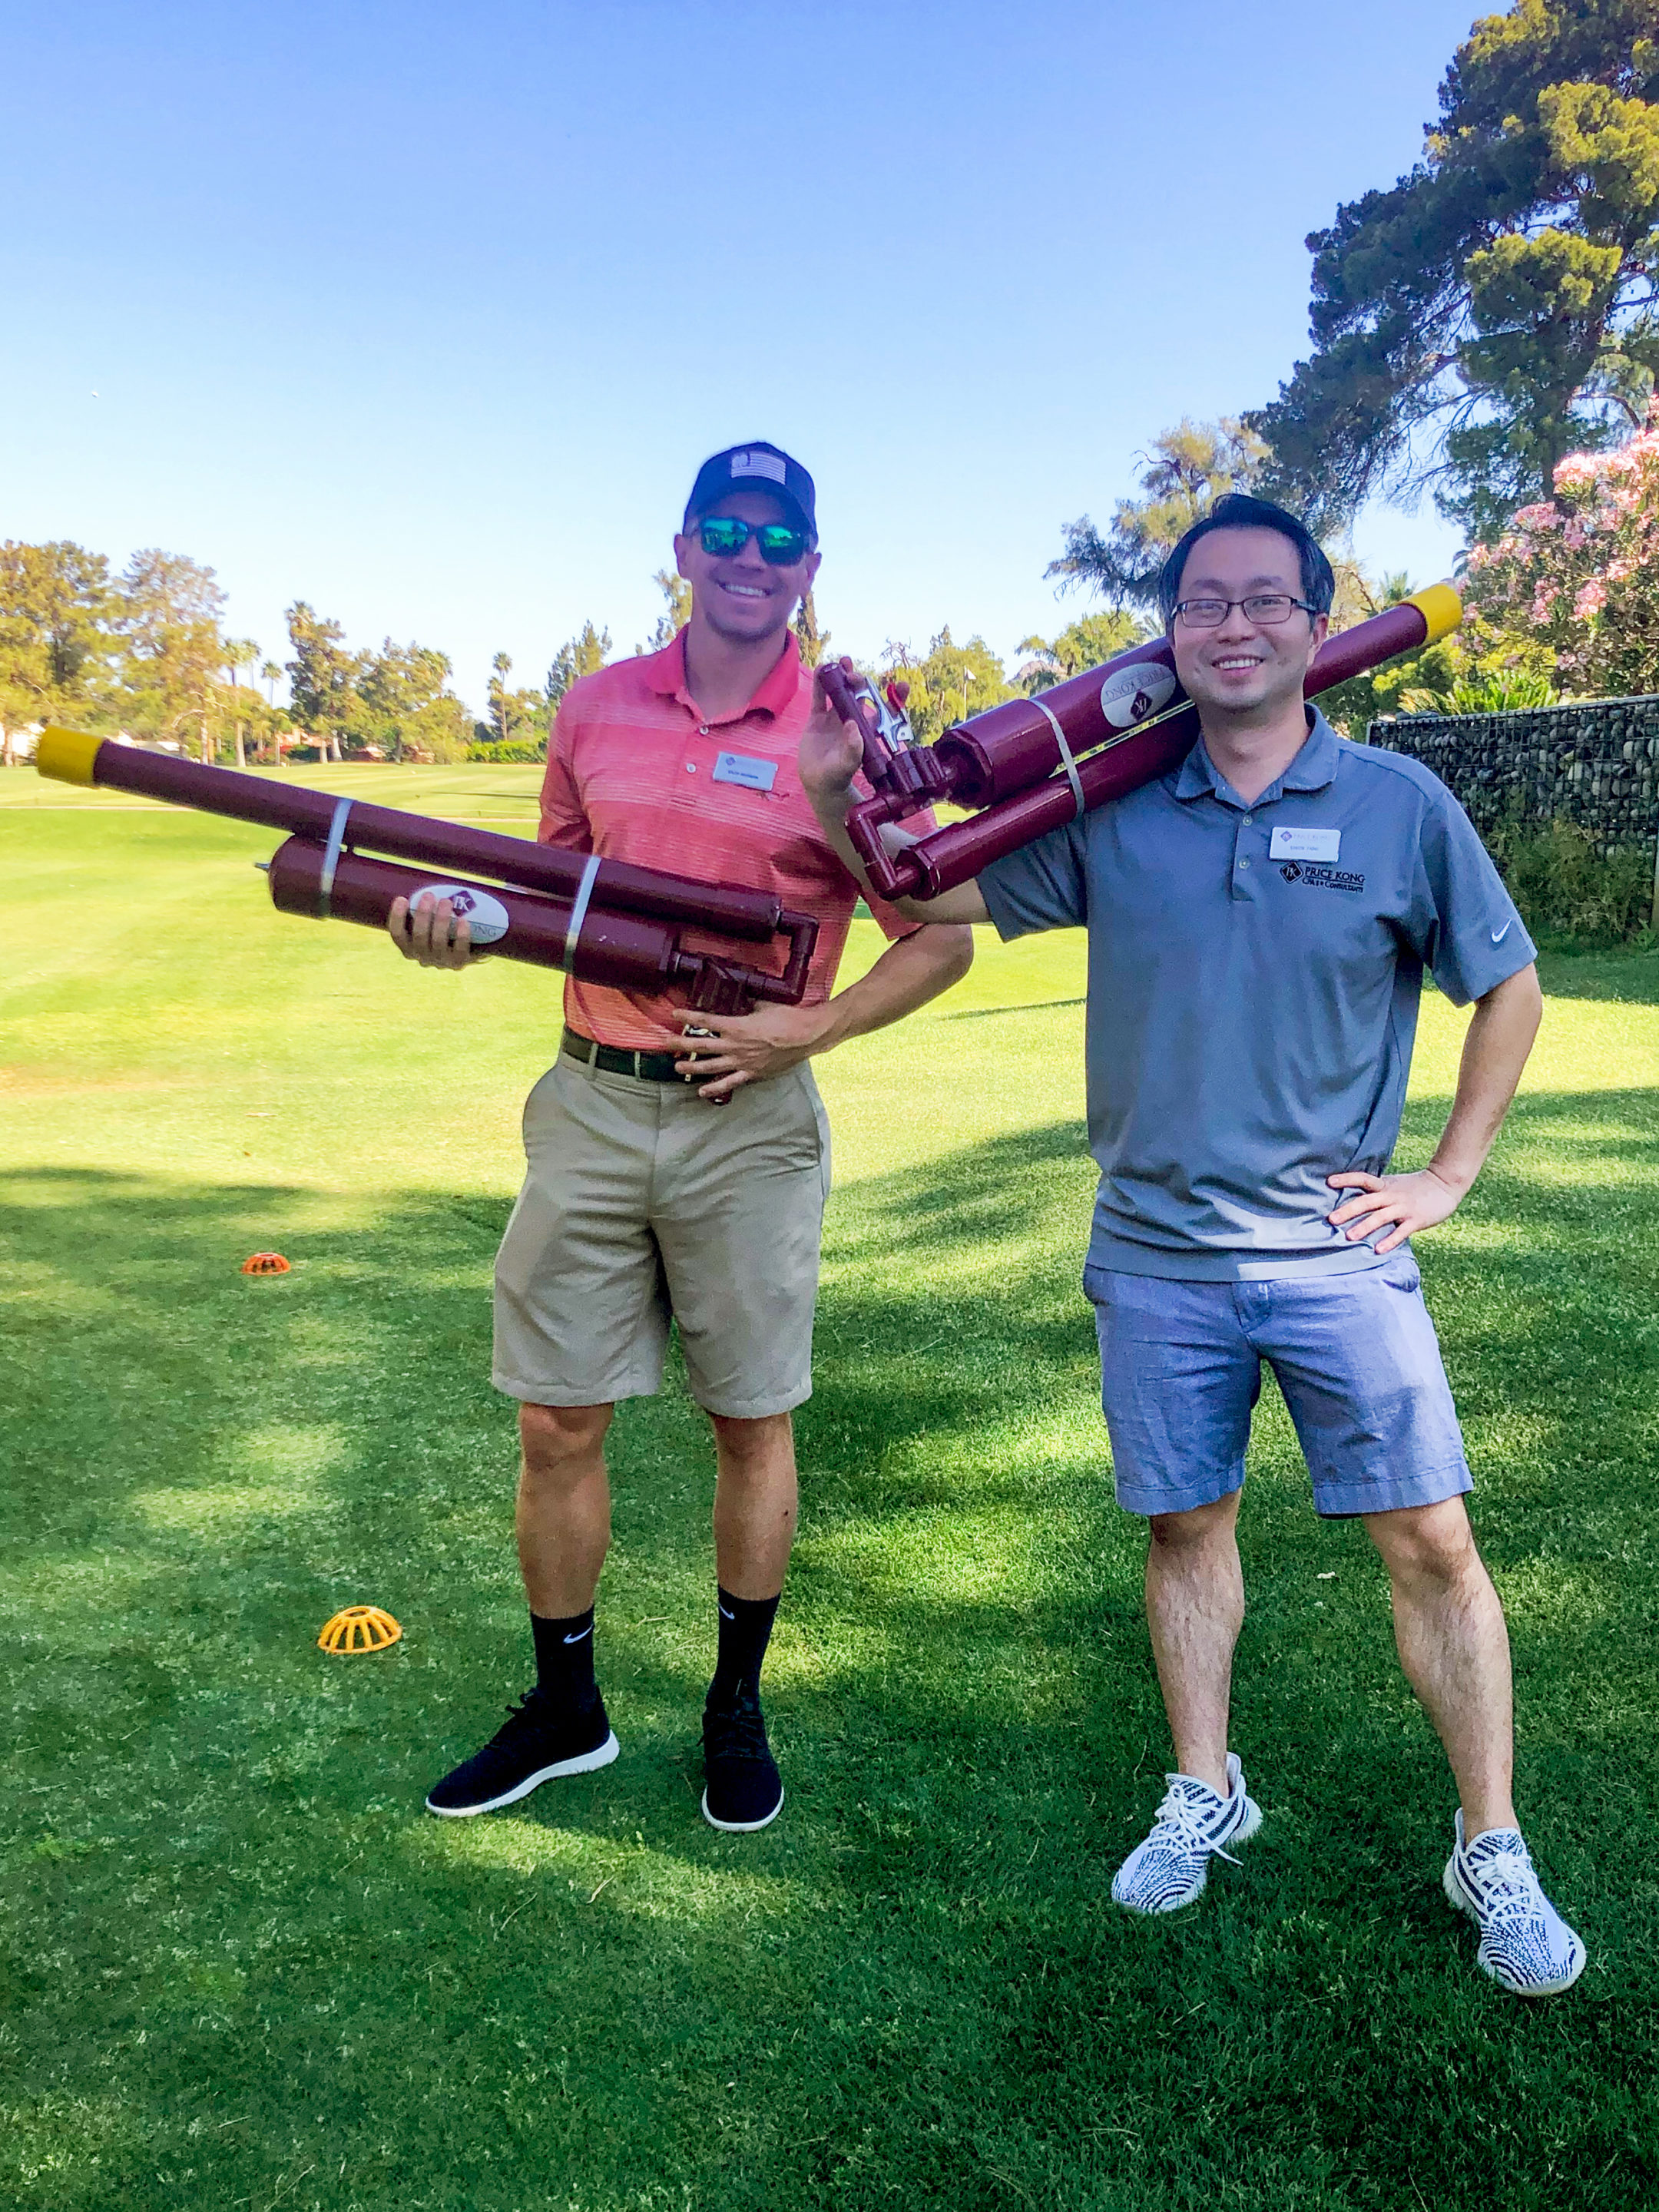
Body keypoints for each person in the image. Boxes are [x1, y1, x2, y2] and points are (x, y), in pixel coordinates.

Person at [800, 492, 1584, 1995]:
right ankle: (1206, 1787)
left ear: (1314, 623)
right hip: (1156, 1255)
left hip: (1335, 1252)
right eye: (1204, 601)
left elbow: (1512, 984)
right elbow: (920, 888)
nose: (1235, 624)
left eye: (1266, 598)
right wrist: (843, 796)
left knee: (1433, 1542)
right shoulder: (1115, 809)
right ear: (1169, 634)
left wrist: (1449, 1175)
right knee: (1186, 1529)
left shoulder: (1399, 804)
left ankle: (1491, 1841)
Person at [397, 443, 972, 1833]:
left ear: (810, 568)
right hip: (591, 1099)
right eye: (726, 529)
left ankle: (735, 1708)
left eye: (778, 540)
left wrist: (805, 1032)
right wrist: (453, 925)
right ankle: (566, 1711)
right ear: (683, 547)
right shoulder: (594, 707)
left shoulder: (843, 738)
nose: (749, 557)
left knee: (751, 1421)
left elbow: (939, 937)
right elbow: (551, 894)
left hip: (748, 1121)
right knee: (555, 1419)